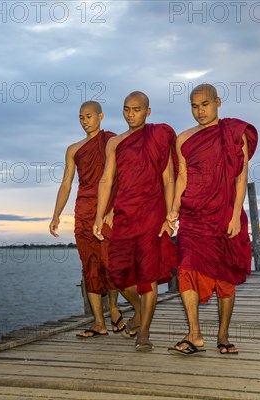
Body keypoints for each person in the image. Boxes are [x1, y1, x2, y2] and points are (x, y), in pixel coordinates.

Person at [167, 83, 258, 356]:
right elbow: (181, 177)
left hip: (224, 214)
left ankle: (223, 335)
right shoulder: (183, 138)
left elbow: (241, 179)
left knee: (224, 277)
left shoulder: (233, 133)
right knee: (186, 270)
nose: (200, 111)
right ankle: (194, 334)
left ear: (218, 102)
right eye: (194, 106)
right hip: (193, 215)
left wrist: (235, 217)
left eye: (205, 105)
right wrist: (173, 209)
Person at [93, 91, 177, 352]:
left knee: (147, 274)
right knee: (118, 274)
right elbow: (107, 180)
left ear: (147, 112)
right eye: (127, 109)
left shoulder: (158, 135)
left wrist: (170, 214)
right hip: (125, 214)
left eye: (137, 109)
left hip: (152, 213)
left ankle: (144, 332)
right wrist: (99, 214)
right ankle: (140, 310)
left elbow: (169, 178)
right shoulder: (115, 143)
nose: (131, 114)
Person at [50, 101, 126, 337]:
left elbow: (122, 176)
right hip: (84, 210)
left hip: (107, 210)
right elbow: (66, 183)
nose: (85, 121)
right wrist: (56, 214)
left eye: (89, 116)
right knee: (90, 265)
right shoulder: (73, 149)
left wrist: (114, 209)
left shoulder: (112, 141)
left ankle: (113, 308)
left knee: (110, 263)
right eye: (81, 117)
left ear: (100, 116)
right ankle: (98, 322)